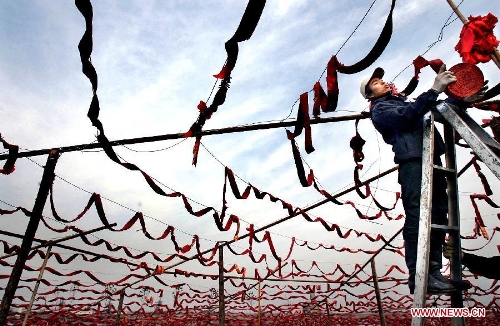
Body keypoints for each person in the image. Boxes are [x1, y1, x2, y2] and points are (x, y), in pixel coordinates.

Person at [360, 65, 466, 294]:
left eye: (382, 79)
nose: (383, 82)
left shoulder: (405, 102)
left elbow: (436, 109)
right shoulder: (380, 110)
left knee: (438, 212)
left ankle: (435, 270)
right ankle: (419, 275)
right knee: (418, 215)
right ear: (370, 95)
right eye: (376, 83)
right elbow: (404, 118)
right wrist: (433, 90)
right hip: (413, 161)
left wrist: (463, 98)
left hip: (431, 158)